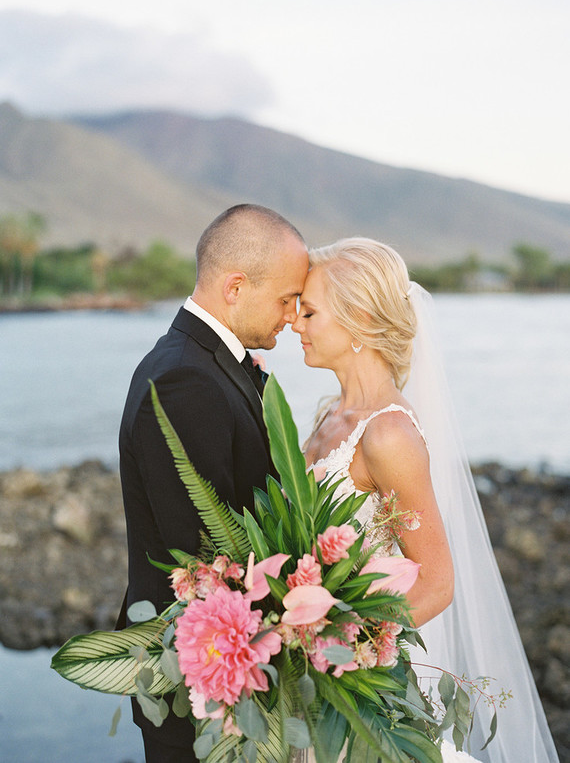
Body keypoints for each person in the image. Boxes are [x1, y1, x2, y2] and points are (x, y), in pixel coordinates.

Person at [292, 237, 559, 762]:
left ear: (358, 319)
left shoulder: (387, 435)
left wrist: (346, 651)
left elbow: (437, 583)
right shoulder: (330, 415)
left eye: (310, 312)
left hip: (356, 685)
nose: (296, 324)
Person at [118, 204, 309, 763]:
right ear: (235, 287)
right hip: (199, 685)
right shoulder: (186, 379)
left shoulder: (206, 364)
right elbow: (205, 556)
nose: (292, 315)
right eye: (285, 299)